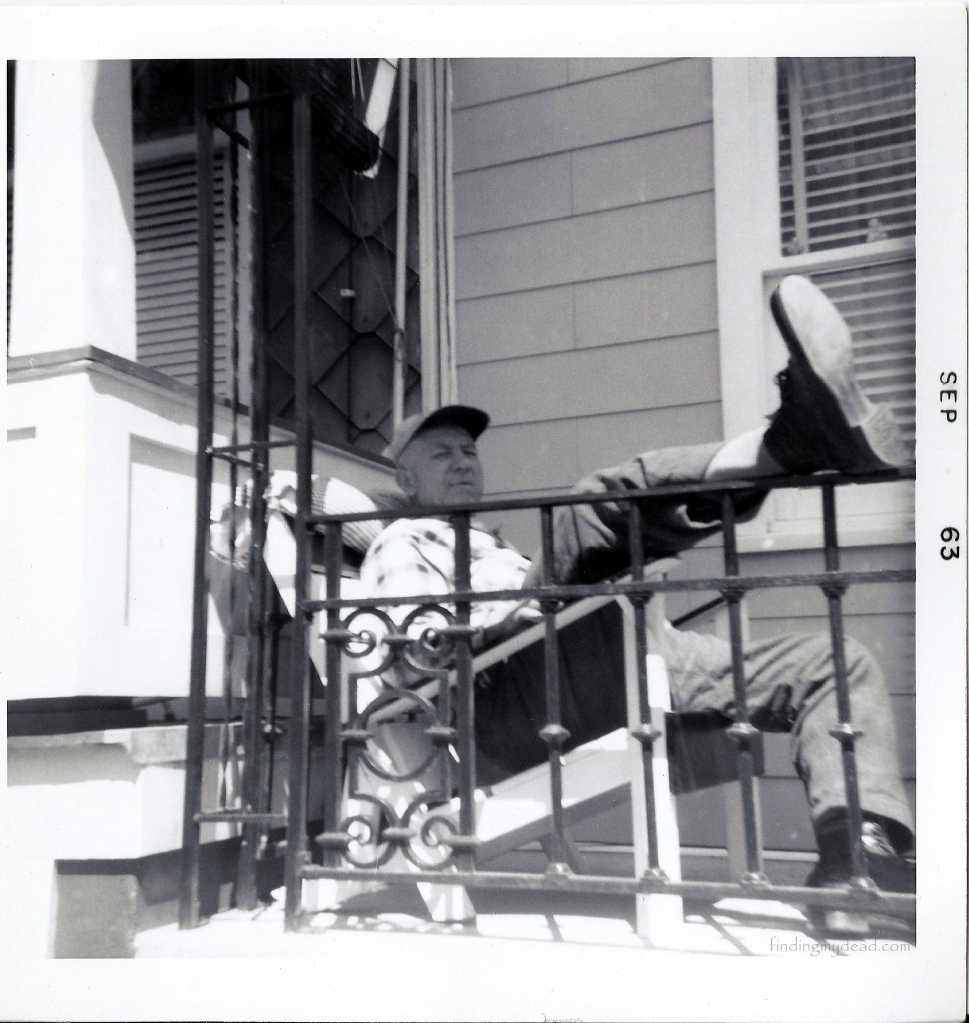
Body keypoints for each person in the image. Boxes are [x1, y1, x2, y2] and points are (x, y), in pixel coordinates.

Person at [359, 274, 915, 931]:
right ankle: (791, 443)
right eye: (442, 453)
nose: (463, 462)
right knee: (585, 510)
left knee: (833, 664)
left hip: (602, 657)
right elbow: (408, 656)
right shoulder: (401, 542)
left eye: (470, 450)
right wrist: (518, 611)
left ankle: (858, 861)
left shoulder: (486, 538)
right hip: (512, 700)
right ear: (403, 478)